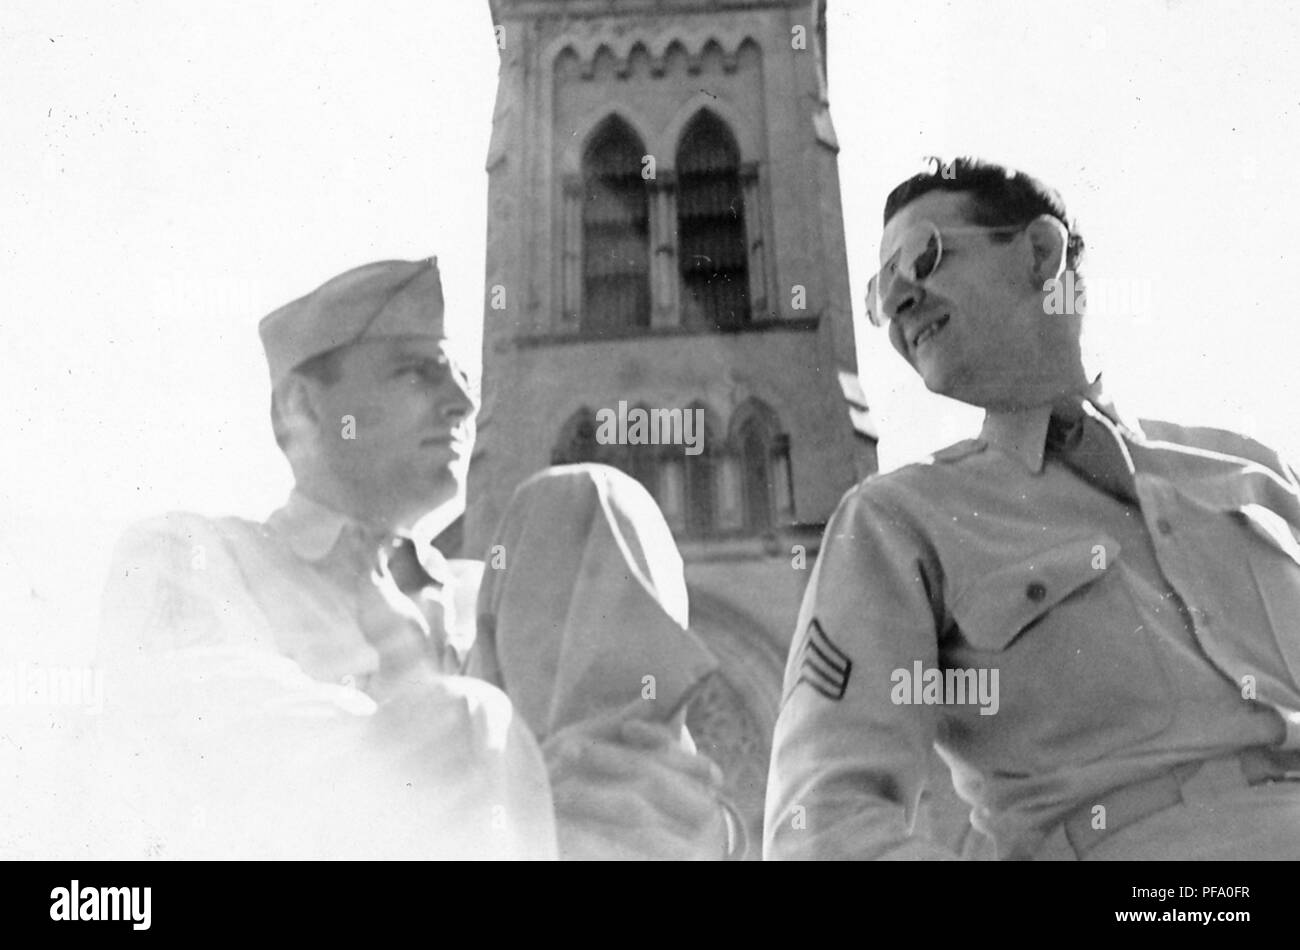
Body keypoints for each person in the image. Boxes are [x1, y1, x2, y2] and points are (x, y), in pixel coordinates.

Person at [98, 257, 727, 860]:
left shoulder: (492, 596)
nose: (462, 402)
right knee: (471, 721)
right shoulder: (194, 554)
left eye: (462, 377)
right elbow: (212, 756)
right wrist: (518, 782)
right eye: (416, 373)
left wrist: (699, 827)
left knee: (586, 494)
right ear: (301, 408)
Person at [764, 158, 1300, 860]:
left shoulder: (1256, 470)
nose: (897, 300)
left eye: (920, 257)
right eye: (878, 291)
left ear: (1040, 254)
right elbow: (826, 820)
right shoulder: (899, 521)